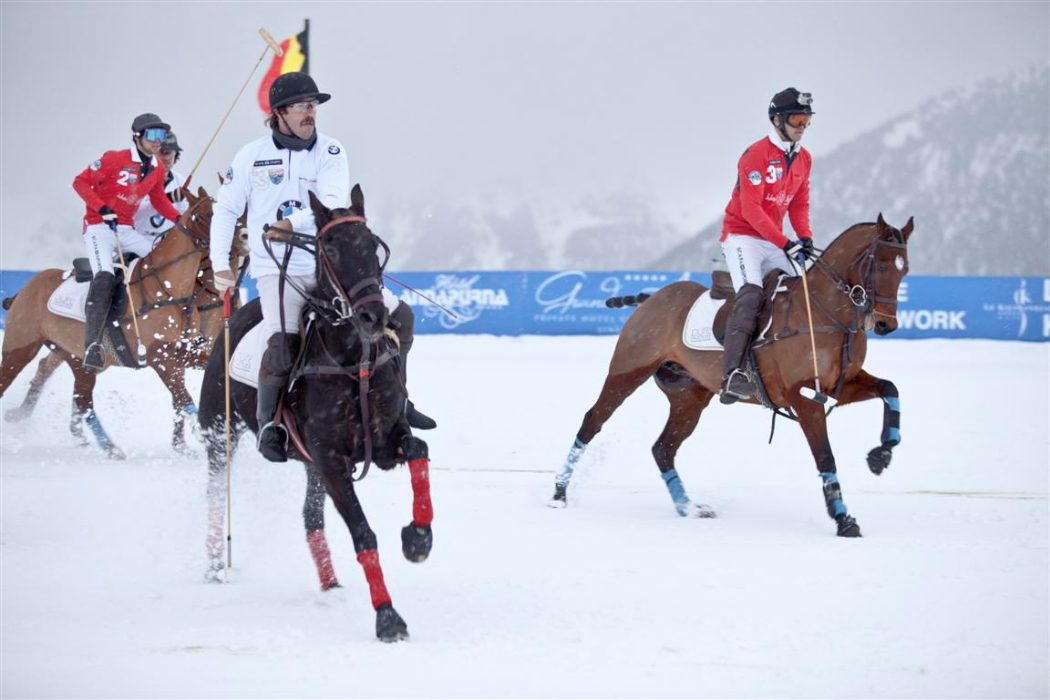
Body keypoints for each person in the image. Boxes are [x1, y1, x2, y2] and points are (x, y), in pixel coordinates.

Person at [208, 71, 436, 464]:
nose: (310, 112)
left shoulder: (331, 151)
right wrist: (219, 265)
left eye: (313, 105)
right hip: (278, 271)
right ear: (278, 112)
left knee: (400, 317)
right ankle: (270, 424)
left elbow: (330, 204)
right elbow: (225, 209)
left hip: (327, 266)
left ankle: (401, 402)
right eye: (301, 105)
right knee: (282, 343)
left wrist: (290, 225)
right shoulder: (249, 157)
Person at [718, 87, 816, 404]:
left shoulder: (804, 159)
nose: (802, 126)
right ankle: (732, 374)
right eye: (797, 119)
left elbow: (798, 206)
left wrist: (805, 239)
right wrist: (785, 242)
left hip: (774, 237)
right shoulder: (755, 155)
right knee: (750, 295)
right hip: (742, 235)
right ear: (777, 119)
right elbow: (751, 210)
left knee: (805, 287)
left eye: (807, 120)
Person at [73, 113, 183, 371]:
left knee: (160, 264)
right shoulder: (115, 158)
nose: (158, 142)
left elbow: (159, 201)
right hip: (98, 227)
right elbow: (81, 182)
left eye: (162, 136)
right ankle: (93, 345)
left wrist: (179, 219)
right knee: (105, 276)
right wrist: (101, 208)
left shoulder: (156, 168)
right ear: (137, 137)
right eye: (153, 135)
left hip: (125, 229)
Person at [133, 132, 188, 240]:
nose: (166, 157)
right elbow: (132, 213)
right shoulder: (135, 178)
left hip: (165, 244)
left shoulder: (180, 181)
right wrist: (168, 198)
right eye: (161, 152)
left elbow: (184, 216)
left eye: (170, 152)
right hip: (135, 240)